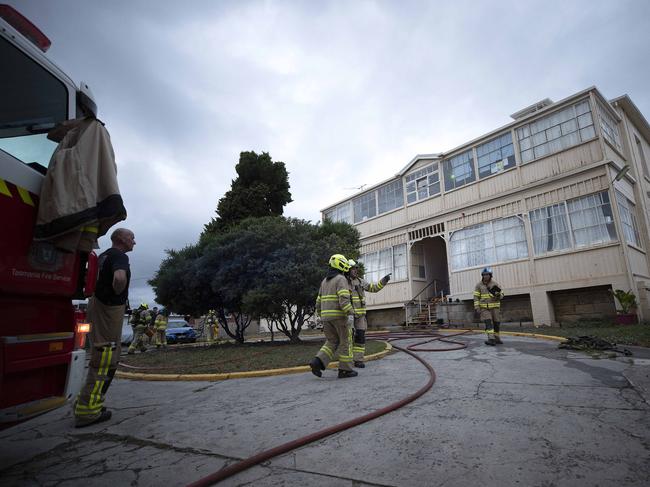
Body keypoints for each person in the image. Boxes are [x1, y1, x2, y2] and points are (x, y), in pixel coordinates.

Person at [74, 228, 135, 427]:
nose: (134, 241)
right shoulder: (119, 256)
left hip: (96, 305)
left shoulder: (103, 256)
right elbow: (118, 279)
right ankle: (88, 410)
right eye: (131, 238)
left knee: (103, 353)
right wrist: (116, 297)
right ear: (121, 239)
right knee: (106, 357)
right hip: (109, 309)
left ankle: (88, 403)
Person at [310, 254, 357, 379]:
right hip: (339, 317)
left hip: (326, 318)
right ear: (341, 264)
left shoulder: (324, 281)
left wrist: (321, 316)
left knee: (332, 341)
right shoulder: (341, 279)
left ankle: (317, 362)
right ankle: (345, 370)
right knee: (345, 342)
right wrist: (351, 313)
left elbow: (318, 302)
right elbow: (344, 299)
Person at [346, 260, 391, 368]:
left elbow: (373, 288)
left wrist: (384, 280)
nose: (356, 270)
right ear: (347, 270)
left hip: (360, 316)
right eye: (353, 268)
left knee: (360, 338)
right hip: (349, 316)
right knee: (349, 339)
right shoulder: (343, 282)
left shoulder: (360, 281)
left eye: (356, 268)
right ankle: (347, 362)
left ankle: (358, 360)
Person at [473, 267, 505, 346]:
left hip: (495, 308)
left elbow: (502, 294)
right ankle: (491, 339)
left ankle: (497, 338)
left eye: (487, 274)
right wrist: (477, 307)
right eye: (484, 275)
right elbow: (476, 297)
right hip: (484, 308)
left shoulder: (495, 284)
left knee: (496, 323)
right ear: (482, 276)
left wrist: (498, 295)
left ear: (490, 275)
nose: (486, 276)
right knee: (488, 322)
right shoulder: (478, 285)